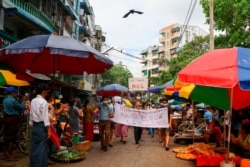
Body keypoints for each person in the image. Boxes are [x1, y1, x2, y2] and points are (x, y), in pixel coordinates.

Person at [2, 86, 26, 161]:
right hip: (13, 119)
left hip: (6, 119)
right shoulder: (13, 100)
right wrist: (24, 100)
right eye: (15, 92)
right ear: (12, 93)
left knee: (6, 138)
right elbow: (22, 107)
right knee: (12, 138)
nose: (16, 93)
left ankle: (4, 154)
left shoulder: (5, 100)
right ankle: (9, 155)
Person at [29, 84, 50, 167]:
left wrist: (31, 124)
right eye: (46, 92)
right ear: (43, 91)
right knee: (42, 148)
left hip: (34, 126)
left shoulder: (33, 101)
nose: (46, 94)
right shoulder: (44, 102)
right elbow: (45, 117)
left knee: (34, 148)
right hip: (41, 126)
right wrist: (48, 130)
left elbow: (31, 115)